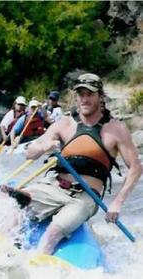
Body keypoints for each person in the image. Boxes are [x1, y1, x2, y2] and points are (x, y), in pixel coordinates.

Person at [23, 73, 142, 255]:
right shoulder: (64, 123)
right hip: (53, 187)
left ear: (100, 97)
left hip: (84, 198)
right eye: (81, 94)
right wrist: (44, 146)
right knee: (13, 205)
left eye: (90, 94)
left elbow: (136, 167)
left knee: (52, 233)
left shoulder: (116, 129)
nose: (84, 99)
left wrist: (117, 203)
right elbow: (30, 153)